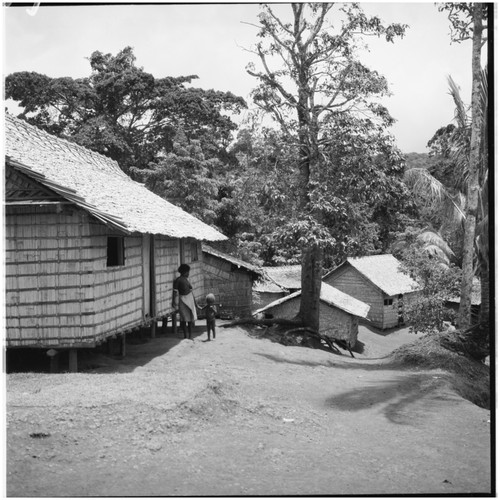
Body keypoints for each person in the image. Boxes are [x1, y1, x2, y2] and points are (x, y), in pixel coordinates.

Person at [172, 264, 198, 340]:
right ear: (184, 272)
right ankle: (185, 335)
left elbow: (190, 289)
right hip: (182, 300)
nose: (188, 273)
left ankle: (190, 336)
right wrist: (174, 301)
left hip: (189, 299)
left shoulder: (186, 279)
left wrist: (195, 302)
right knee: (183, 318)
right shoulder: (178, 280)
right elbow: (175, 292)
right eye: (187, 272)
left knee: (190, 318)